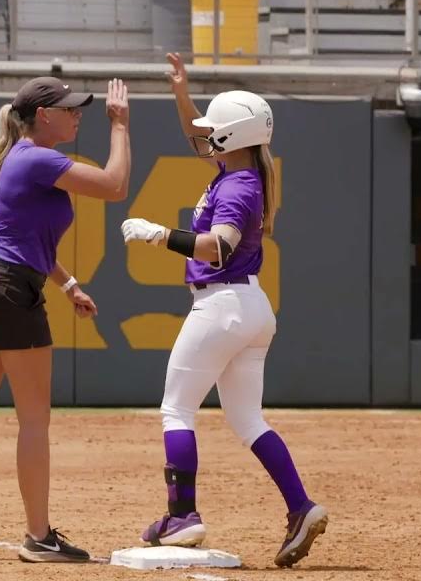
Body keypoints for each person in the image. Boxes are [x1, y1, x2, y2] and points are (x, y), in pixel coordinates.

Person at [120, 53, 327, 569]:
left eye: (217, 130)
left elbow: (219, 247)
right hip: (250, 306)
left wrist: (159, 235)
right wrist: (180, 91)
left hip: (223, 301)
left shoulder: (237, 185)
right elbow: (199, 137)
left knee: (176, 409)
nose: (207, 136)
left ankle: (182, 515)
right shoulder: (242, 168)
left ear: (233, 137)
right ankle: (300, 507)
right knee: (246, 417)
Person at [0, 76, 131, 564]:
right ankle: (38, 537)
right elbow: (115, 186)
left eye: (81, 109)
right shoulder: (36, 157)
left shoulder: (22, 156)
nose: (79, 115)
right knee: (33, 418)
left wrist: (68, 284)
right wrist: (119, 126)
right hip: (9, 292)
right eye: (70, 109)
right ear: (43, 116)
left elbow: (19, 237)